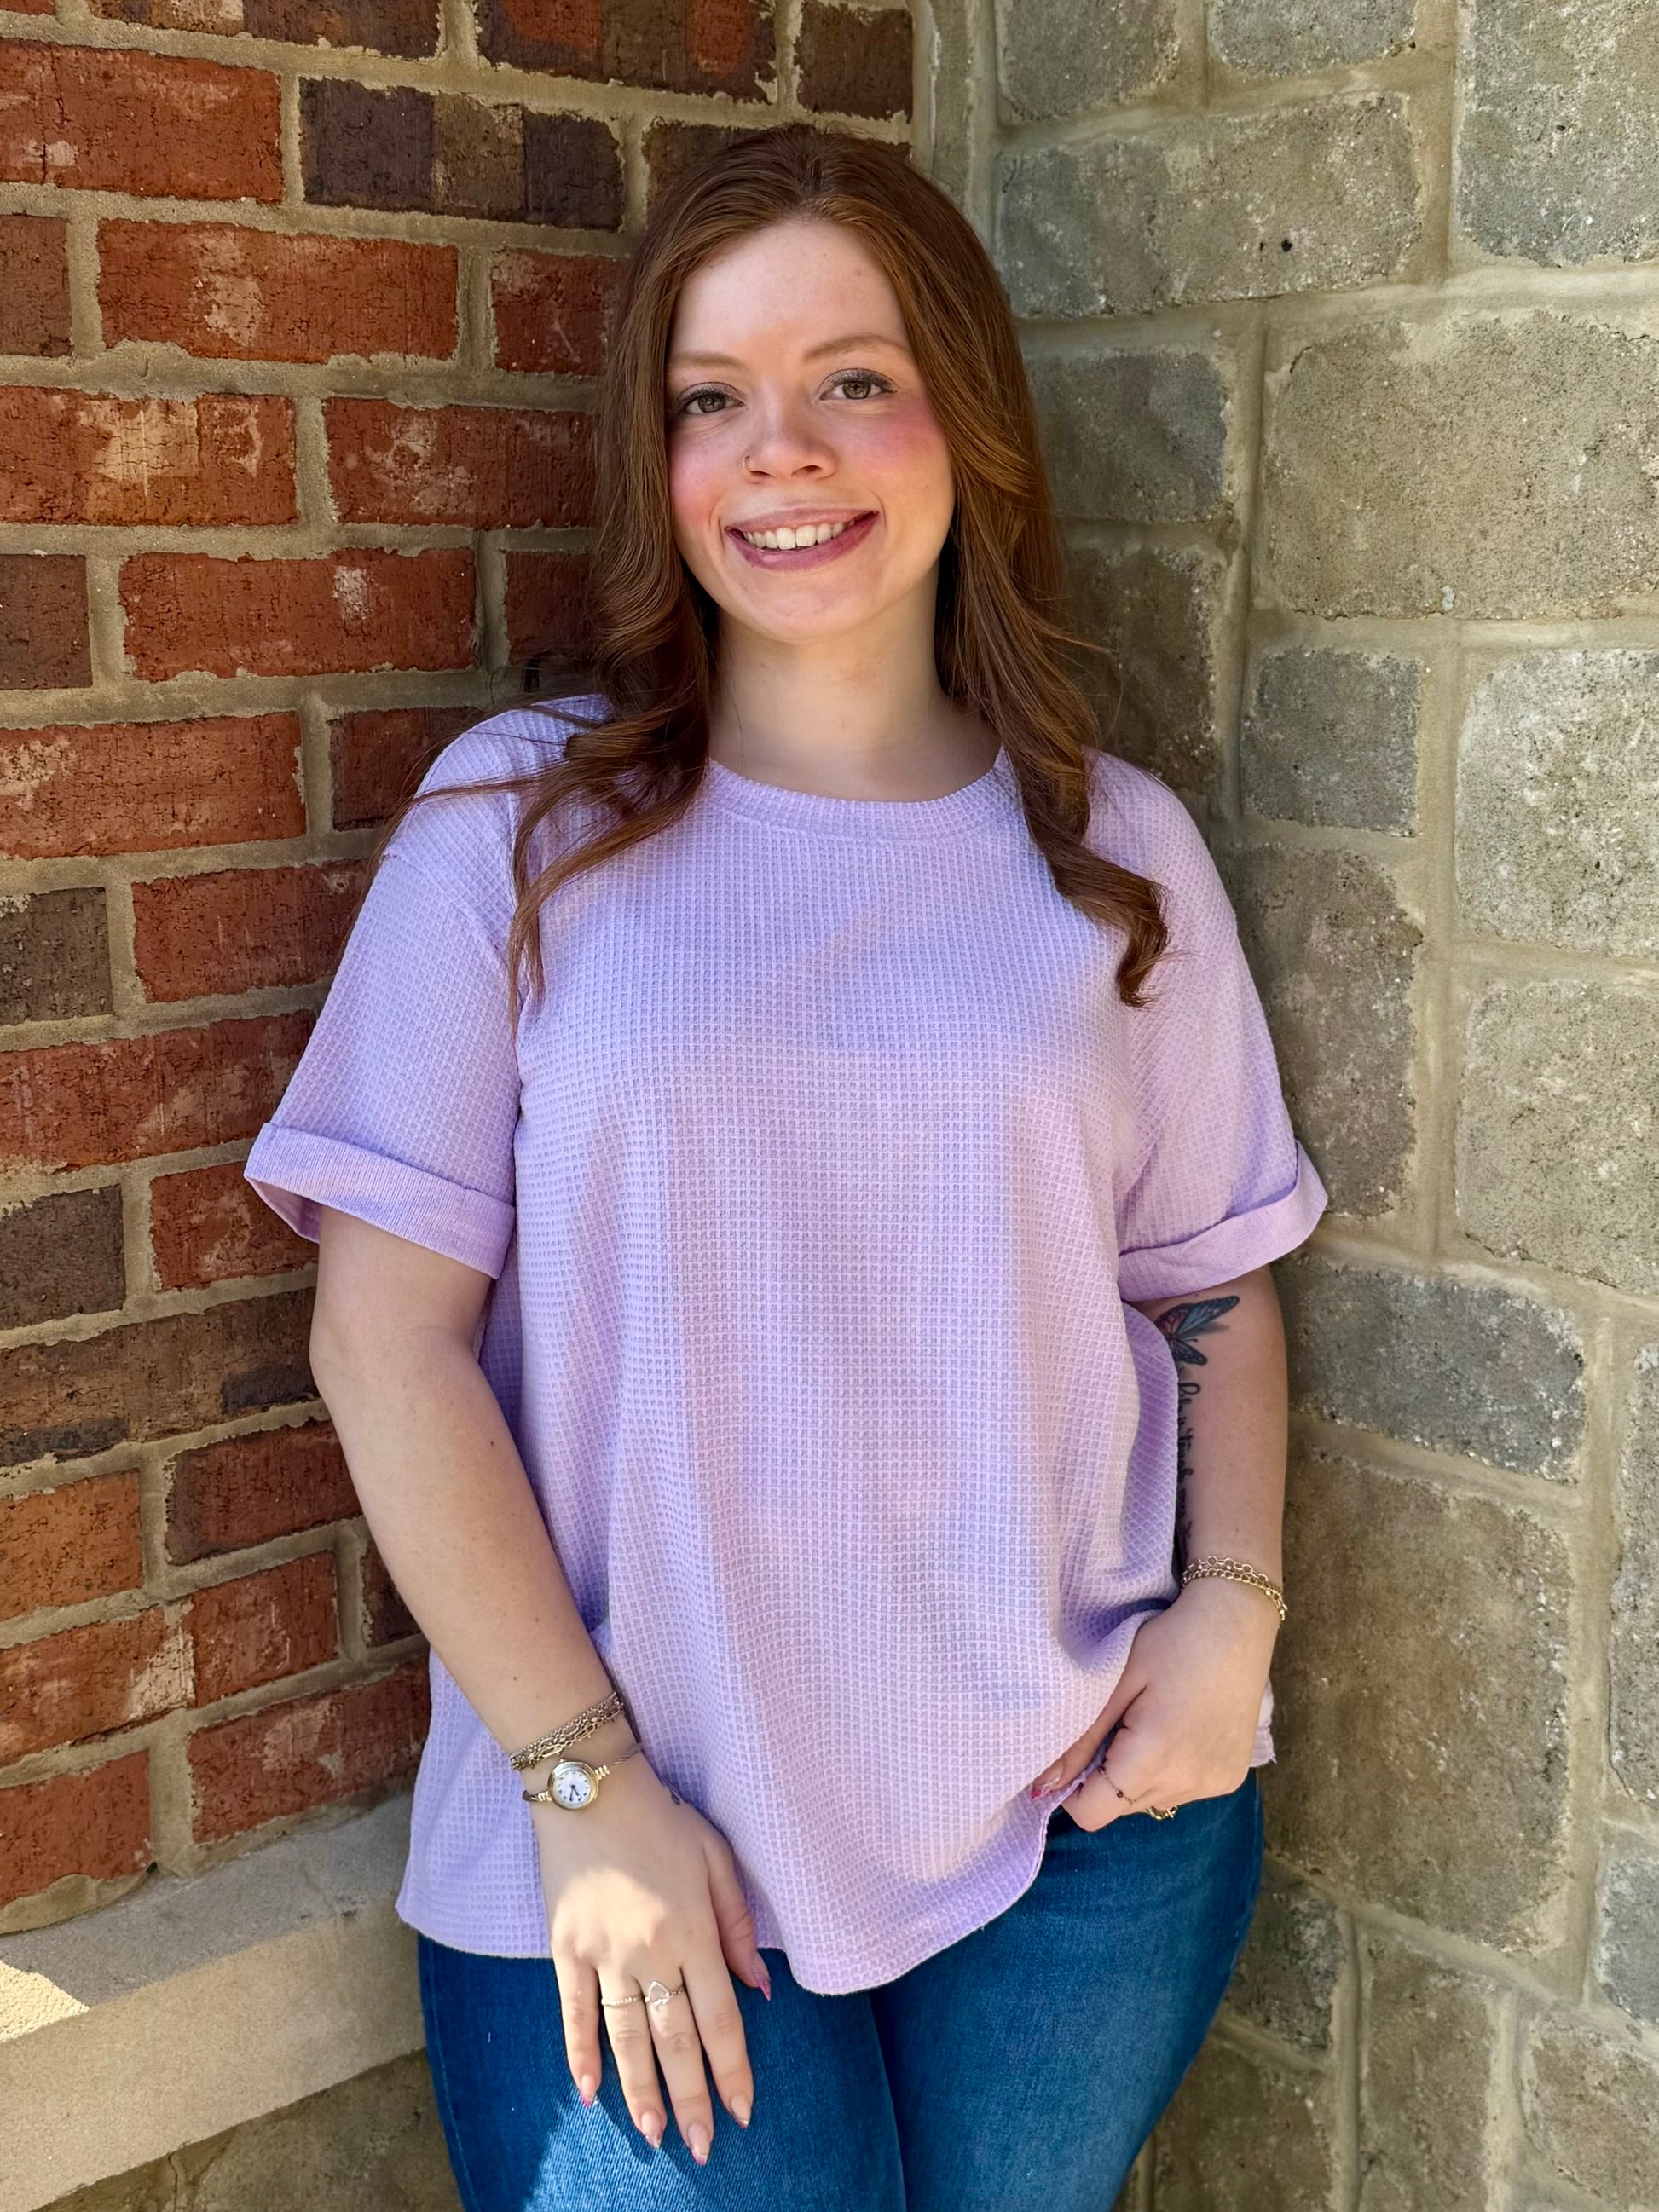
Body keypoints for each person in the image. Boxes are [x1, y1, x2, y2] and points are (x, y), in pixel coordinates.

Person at [243, 124, 1327, 2212]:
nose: (783, 453)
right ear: (654, 459)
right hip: (633, 1841)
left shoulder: (1112, 851)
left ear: (964, 421)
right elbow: (385, 1341)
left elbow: (1207, 1274)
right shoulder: (517, 832)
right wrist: (586, 1781)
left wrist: (1232, 1613)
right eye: (710, 398)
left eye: (853, 378)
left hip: (1081, 1815)